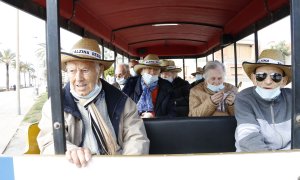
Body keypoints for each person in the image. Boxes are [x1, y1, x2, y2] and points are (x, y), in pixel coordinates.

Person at [37, 38, 149, 167]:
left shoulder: (123, 102)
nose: (78, 78)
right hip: (76, 169)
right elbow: (48, 142)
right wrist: (70, 150)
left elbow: (136, 138)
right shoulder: (56, 105)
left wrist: (126, 167)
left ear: (99, 70)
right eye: (72, 71)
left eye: (85, 70)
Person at [235, 49, 291, 152]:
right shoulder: (244, 98)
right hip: (254, 157)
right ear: (254, 79)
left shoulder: (293, 97)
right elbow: (248, 137)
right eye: (261, 76)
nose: (268, 82)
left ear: (284, 81)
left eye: (276, 76)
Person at [122, 54, 175, 118]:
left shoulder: (167, 87)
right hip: (133, 124)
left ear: (159, 72)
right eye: (149, 68)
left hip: (159, 125)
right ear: (142, 71)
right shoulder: (131, 85)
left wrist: (154, 117)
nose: (152, 72)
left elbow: (172, 114)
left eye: (156, 69)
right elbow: (122, 108)